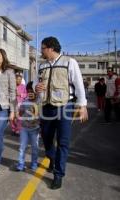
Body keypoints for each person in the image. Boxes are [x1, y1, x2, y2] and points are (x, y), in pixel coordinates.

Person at [35, 36, 88, 189]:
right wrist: (35, 88)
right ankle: (52, 158)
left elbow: (78, 84)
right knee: (46, 138)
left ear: (50, 48)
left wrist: (82, 105)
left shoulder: (69, 62)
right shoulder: (42, 65)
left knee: (63, 142)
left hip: (65, 106)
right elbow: (36, 83)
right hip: (46, 107)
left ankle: (58, 174)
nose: (41, 51)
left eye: (43, 48)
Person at [15, 82, 40, 171]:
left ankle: (34, 163)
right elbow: (20, 112)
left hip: (35, 129)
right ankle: (21, 164)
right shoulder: (25, 101)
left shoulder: (39, 101)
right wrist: (17, 115)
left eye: (32, 91)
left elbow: (41, 115)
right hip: (24, 128)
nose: (30, 93)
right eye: (28, 91)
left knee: (34, 148)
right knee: (22, 147)